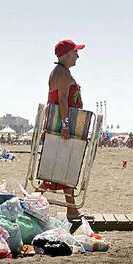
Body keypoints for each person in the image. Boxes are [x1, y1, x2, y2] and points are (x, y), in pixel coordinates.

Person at [43, 39, 93, 221]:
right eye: (75, 52)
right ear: (67, 54)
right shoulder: (62, 73)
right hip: (63, 124)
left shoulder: (59, 71)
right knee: (62, 165)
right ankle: (34, 202)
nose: (78, 56)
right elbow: (62, 100)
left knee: (62, 166)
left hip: (60, 122)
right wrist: (65, 125)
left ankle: (72, 210)